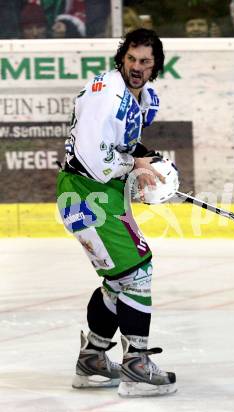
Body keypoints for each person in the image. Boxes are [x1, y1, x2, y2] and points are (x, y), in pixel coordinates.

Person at [56, 29, 177, 397]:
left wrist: (147, 165)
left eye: (145, 62)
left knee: (119, 280)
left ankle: (92, 360)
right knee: (138, 272)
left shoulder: (141, 96)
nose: (137, 68)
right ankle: (137, 364)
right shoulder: (106, 95)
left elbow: (125, 144)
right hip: (86, 193)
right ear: (121, 58)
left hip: (100, 194)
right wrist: (135, 164)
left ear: (156, 66)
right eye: (131, 59)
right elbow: (96, 158)